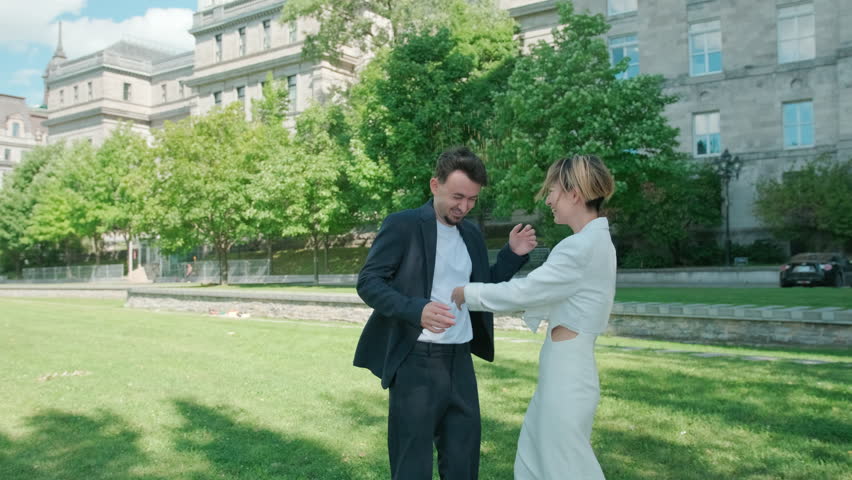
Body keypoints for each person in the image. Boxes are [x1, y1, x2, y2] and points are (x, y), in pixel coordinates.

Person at [354, 146, 538, 480]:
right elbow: (368, 282)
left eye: (472, 199)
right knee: (413, 464)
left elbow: (481, 288)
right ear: (434, 185)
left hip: (460, 359)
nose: (464, 207)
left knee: (463, 460)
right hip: (415, 361)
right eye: (457, 196)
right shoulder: (403, 225)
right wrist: (416, 309)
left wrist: (513, 255)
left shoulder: (470, 233)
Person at [451, 154, 616, 480]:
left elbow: (527, 292)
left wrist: (467, 293)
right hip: (563, 371)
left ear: (574, 193)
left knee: (563, 465)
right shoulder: (592, 242)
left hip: (568, 375)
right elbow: (547, 293)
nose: (548, 199)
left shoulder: (581, 247)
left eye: (552, 191)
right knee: (533, 460)